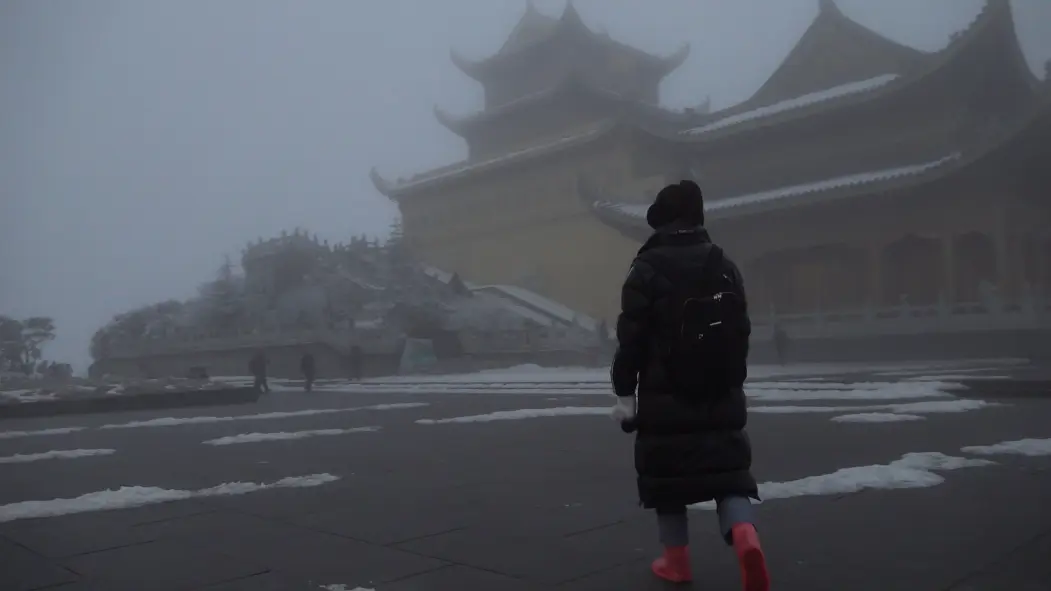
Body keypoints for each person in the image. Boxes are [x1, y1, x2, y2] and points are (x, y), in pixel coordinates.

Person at [610, 180, 770, 590]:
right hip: (720, 390)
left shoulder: (644, 269)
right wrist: (732, 379)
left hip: (667, 395)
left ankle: (676, 562)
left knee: (669, 479)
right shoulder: (724, 264)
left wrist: (625, 392)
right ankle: (746, 537)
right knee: (729, 476)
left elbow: (631, 340)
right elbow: (742, 331)